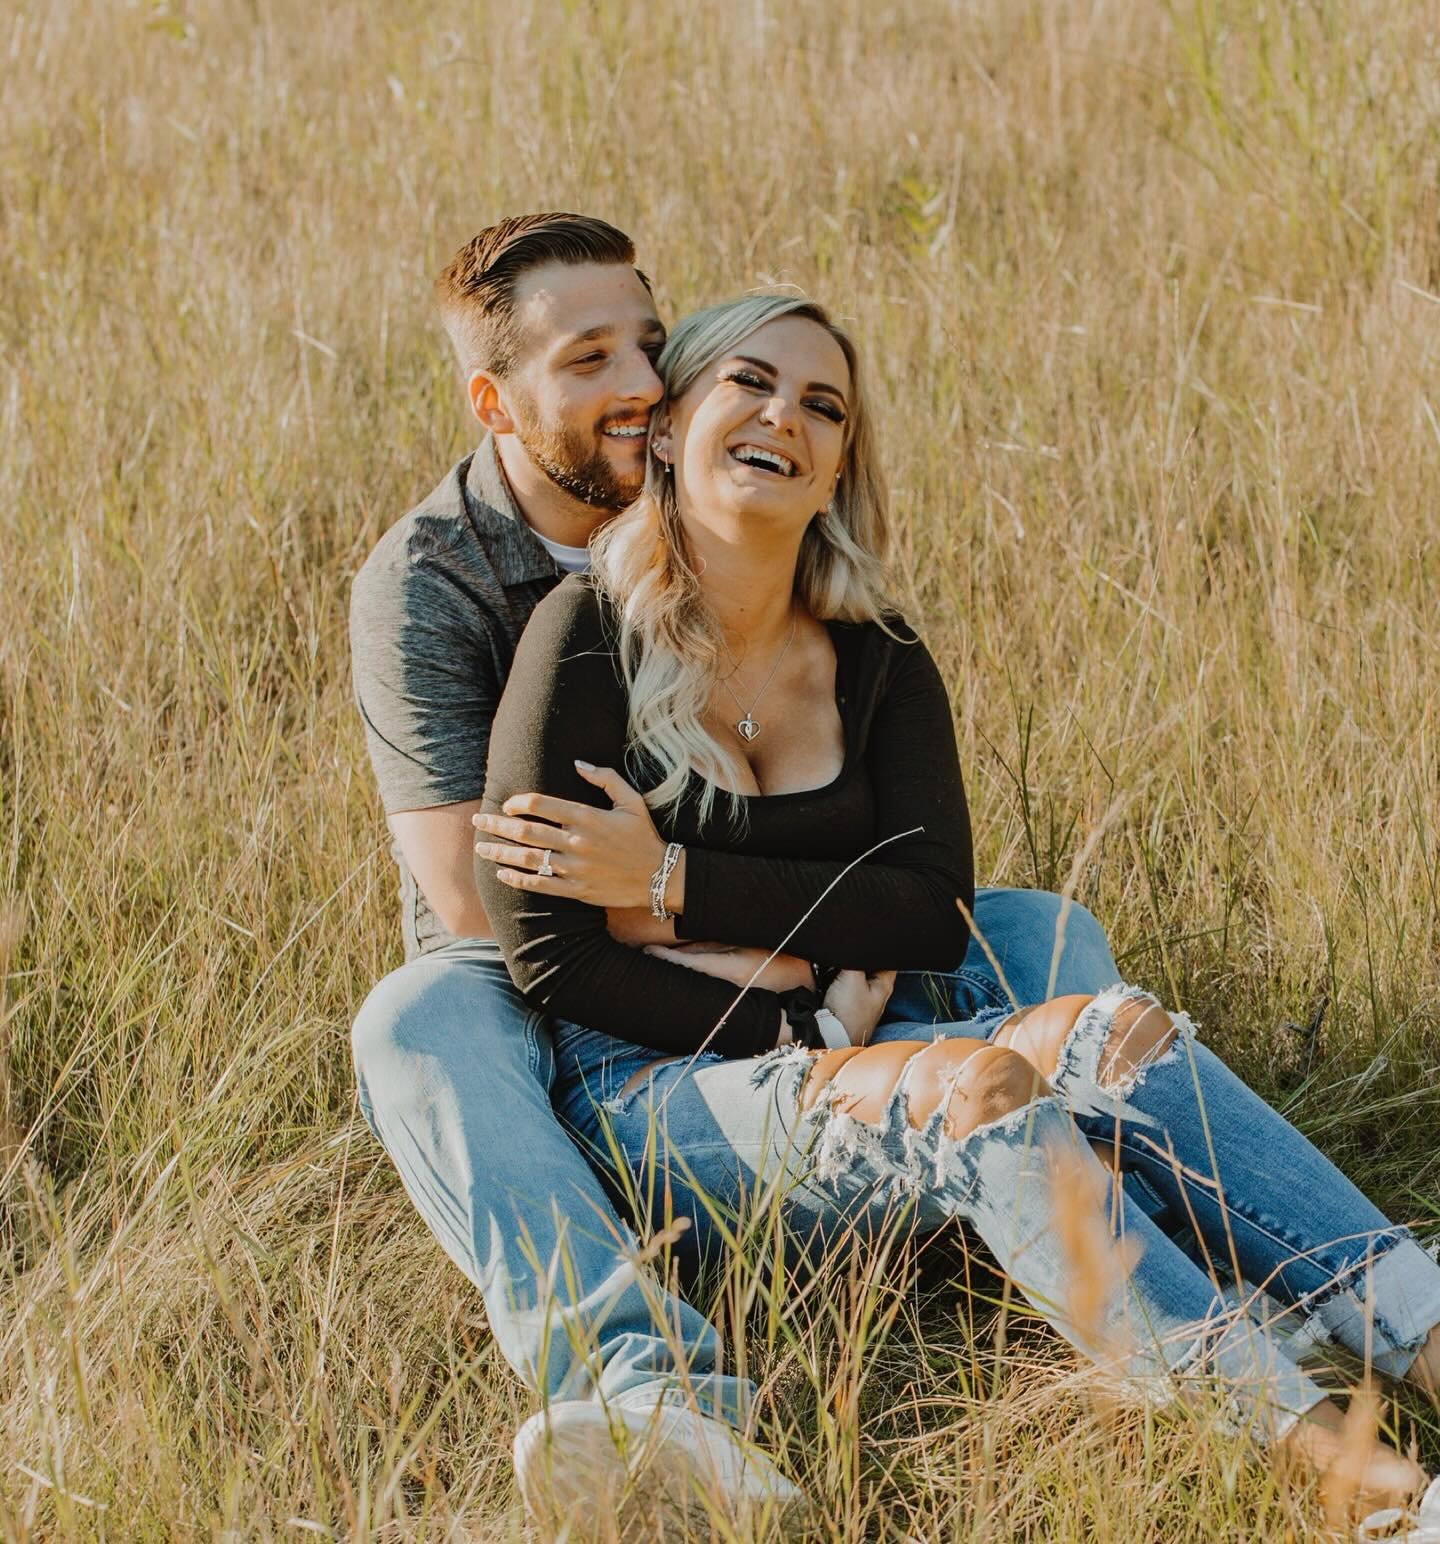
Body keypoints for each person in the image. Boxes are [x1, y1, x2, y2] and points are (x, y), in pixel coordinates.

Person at [472, 289, 1440, 1523]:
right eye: (750, 384)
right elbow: (554, 961)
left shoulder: (880, 657)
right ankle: (1375, 1495)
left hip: (869, 1039)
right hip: (654, 1095)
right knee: (978, 1085)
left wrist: (671, 884)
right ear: (668, 431)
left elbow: (931, 913)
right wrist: (811, 1021)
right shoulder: (583, 638)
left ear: (835, 469)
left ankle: (1424, 1338)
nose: (786, 416)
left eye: (824, 406)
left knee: (1117, 1030)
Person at [347, 215, 1124, 1528]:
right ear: (496, 403)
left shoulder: (729, 499)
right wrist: (785, 973)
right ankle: (644, 1388)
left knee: (1038, 931)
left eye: (650, 344)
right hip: (563, 1004)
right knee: (417, 1014)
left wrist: (718, 902)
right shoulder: (432, 584)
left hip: (759, 937)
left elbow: (874, 836)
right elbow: (482, 899)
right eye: (586, 358)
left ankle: (1096, 1234)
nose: (639, 385)